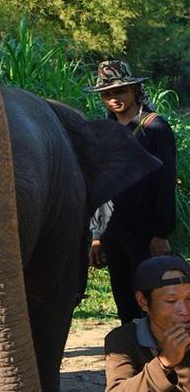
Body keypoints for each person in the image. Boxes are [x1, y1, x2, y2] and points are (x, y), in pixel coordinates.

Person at [88, 60, 179, 324]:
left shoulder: (155, 128)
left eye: (120, 91)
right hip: (113, 233)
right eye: (106, 94)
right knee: (125, 304)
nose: (113, 99)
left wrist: (160, 233)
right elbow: (99, 186)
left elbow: (164, 183)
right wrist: (96, 235)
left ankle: (163, 362)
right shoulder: (105, 133)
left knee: (152, 304)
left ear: (135, 90)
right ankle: (134, 363)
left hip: (145, 233)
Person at [104, 255, 190, 390]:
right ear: (143, 301)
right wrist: (164, 362)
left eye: (189, 298)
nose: (184, 310)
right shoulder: (123, 339)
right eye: (171, 301)